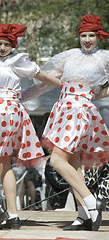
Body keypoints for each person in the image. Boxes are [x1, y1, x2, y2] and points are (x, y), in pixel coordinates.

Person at [0, 23, 62, 230]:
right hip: (10, 113)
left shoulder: (18, 61)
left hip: (3, 113)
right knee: (3, 163)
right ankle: (13, 215)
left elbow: (42, 77)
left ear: (13, 45)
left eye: (6, 44)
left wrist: (64, 85)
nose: (1, 47)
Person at [36, 14, 109, 231]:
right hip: (64, 109)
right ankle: (83, 215)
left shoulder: (104, 57)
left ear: (98, 37)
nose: (87, 39)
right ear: (79, 36)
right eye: (84, 35)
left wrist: (94, 96)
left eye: (92, 35)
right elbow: (46, 83)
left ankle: (91, 201)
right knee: (74, 165)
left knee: (56, 161)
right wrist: (20, 97)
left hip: (80, 111)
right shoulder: (68, 56)